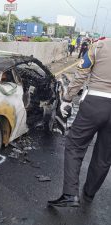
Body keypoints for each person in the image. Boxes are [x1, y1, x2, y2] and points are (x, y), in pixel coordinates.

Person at [48, 38, 111, 207]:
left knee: (75, 145)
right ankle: (89, 194)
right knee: (104, 156)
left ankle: (70, 194)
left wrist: (68, 98)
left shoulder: (99, 46)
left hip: (95, 103)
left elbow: (81, 75)